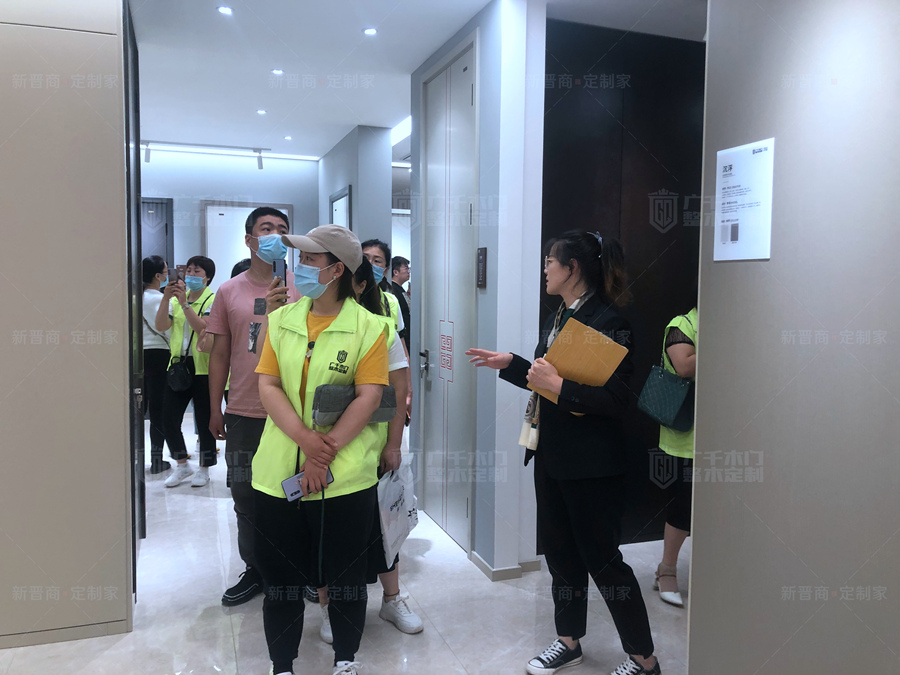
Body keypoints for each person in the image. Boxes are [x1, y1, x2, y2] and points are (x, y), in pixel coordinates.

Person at [466, 231, 661, 675]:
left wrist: (557, 385)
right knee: (561, 556)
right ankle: (568, 641)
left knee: (604, 563)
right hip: (553, 456)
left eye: (550, 261)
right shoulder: (562, 313)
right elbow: (547, 382)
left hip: (592, 465)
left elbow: (615, 401)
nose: (545, 269)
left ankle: (644, 660)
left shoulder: (609, 321)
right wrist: (513, 365)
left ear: (573, 269)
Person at [252, 225, 390, 675]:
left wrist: (321, 454)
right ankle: (282, 665)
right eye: (302, 258)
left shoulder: (370, 327)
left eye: (311, 259)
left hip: (344, 478)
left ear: (337, 270)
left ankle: (345, 659)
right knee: (281, 582)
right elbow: (268, 385)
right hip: (278, 476)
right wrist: (306, 441)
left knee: (346, 581)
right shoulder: (280, 320)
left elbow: (370, 396)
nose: (301, 266)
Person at [207, 208, 298, 607]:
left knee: (297, 493)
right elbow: (220, 353)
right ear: (249, 240)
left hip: (295, 411)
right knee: (246, 495)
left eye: (282, 230)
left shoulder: (304, 287)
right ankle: (256, 570)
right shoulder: (229, 291)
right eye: (266, 229)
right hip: (244, 409)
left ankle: (298, 569)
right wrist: (215, 408)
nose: (275, 235)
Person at [352, 257, 423, 634]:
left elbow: (398, 385)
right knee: (331, 531)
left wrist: (394, 443)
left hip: (375, 441)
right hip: (324, 448)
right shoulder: (305, 322)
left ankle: (392, 600)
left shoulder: (380, 324)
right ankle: (332, 605)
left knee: (384, 524)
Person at [155, 256, 217, 488]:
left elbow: (203, 328)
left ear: (207, 277)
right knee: (168, 418)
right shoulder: (174, 300)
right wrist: (166, 298)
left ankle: (205, 468)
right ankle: (182, 464)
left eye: (196, 271)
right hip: (178, 365)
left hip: (203, 367)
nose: (190, 275)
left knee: (204, 421)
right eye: (188, 270)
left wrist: (185, 305)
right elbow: (161, 325)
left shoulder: (213, 299)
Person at [653, 305, 697, 608]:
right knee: (683, 508)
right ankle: (666, 570)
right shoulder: (682, 324)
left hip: (724, 432)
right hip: (685, 438)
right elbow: (684, 366)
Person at [141, 255, 171, 474]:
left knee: (141, 408)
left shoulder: (135, 297)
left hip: (140, 355)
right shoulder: (158, 299)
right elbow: (167, 328)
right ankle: (157, 459)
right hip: (159, 354)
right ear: (158, 276)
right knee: (158, 409)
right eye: (166, 271)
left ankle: (138, 457)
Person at [390, 256, 411, 352]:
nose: (409, 272)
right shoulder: (392, 290)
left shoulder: (400, 288)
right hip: (401, 338)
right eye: (406, 268)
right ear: (395, 272)